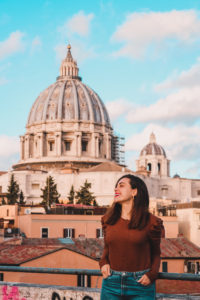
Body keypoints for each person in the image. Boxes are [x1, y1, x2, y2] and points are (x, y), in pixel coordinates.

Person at [99, 174, 164, 300]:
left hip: (140, 285)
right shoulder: (108, 220)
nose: (116, 189)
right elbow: (107, 248)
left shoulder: (152, 222)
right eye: (116, 186)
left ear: (134, 192)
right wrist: (103, 263)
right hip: (111, 283)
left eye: (121, 186)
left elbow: (156, 253)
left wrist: (152, 274)